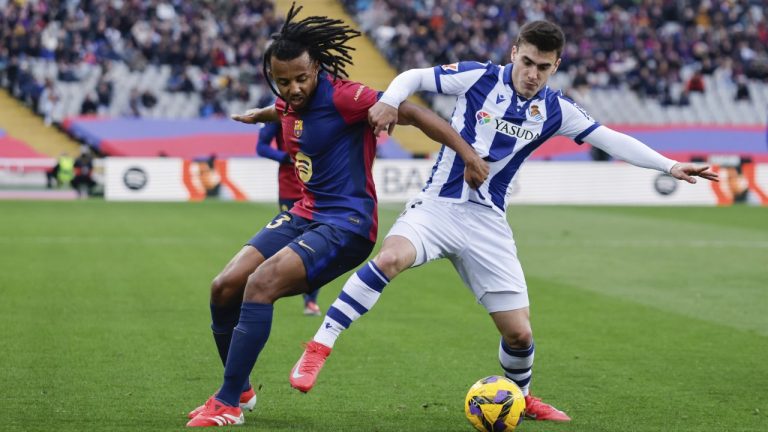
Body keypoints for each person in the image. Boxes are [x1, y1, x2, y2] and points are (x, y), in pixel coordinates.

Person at [290, 20, 719, 422]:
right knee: (391, 258)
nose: (532, 73)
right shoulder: (478, 76)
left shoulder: (557, 109)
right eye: (527, 61)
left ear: (557, 66)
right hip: (438, 205)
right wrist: (388, 99)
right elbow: (415, 77)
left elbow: (610, 139)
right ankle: (319, 346)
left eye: (543, 67)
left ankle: (520, 396)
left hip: (487, 221)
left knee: (519, 335)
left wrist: (669, 166)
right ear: (514, 52)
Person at [185, 3, 488, 427]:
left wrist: (469, 156)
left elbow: (416, 113)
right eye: (282, 80)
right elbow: (288, 108)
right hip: (305, 212)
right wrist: (262, 114)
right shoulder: (289, 100)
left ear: (318, 69)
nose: (292, 89)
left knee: (260, 285)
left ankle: (227, 403)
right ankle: (242, 387)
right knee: (224, 287)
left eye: (301, 79)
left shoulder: (348, 96)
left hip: (347, 223)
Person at [256, 120, 322, 316]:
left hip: (317, 187)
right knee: (290, 243)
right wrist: (285, 157)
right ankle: (268, 289)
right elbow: (261, 147)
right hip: (289, 188)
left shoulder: (319, 109)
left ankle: (310, 300)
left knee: (316, 244)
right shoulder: (277, 113)